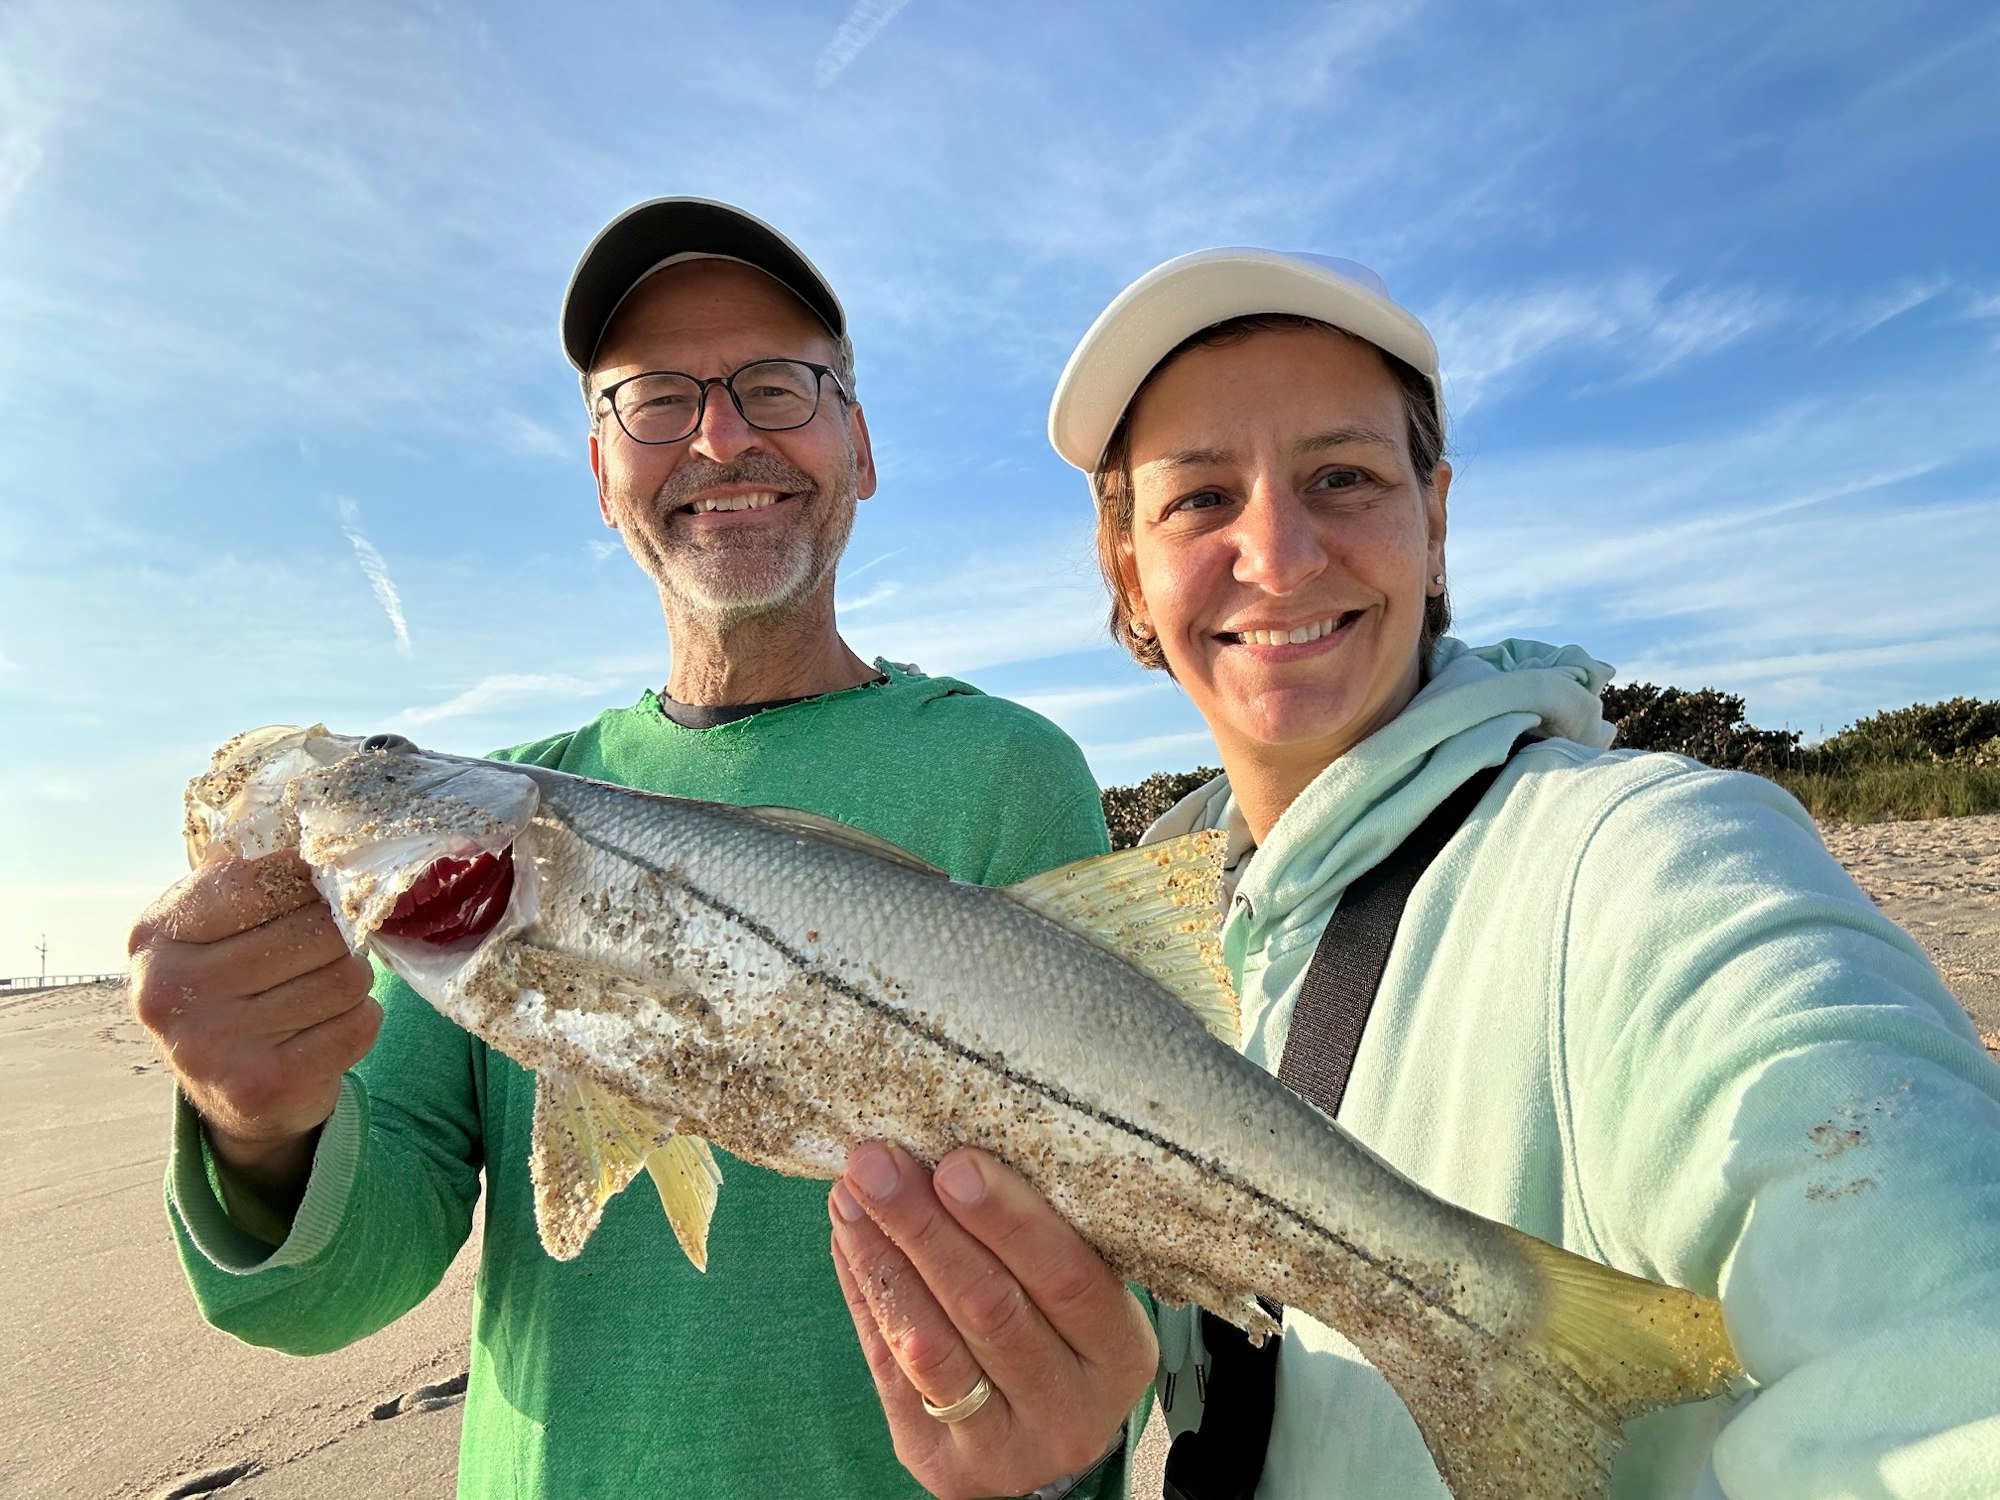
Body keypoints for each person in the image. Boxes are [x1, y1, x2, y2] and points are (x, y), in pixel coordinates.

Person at [828, 247, 2000, 1498]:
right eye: (1197, 499)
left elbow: (1945, 1371)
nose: (1275, 554)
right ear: (1128, 568)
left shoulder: (1648, 865)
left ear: (1432, 521)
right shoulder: (1146, 949)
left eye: (1341, 477)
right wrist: (1047, 1475)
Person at [126, 198, 1143, 1500]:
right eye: (654, 400)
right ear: (602, 478)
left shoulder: (1007, 770)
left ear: (861, 444)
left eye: (777, 386)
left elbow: (1099, 1259)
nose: (722, 438)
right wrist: (257, 1126)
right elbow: (344, 1280)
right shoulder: (488, 830)